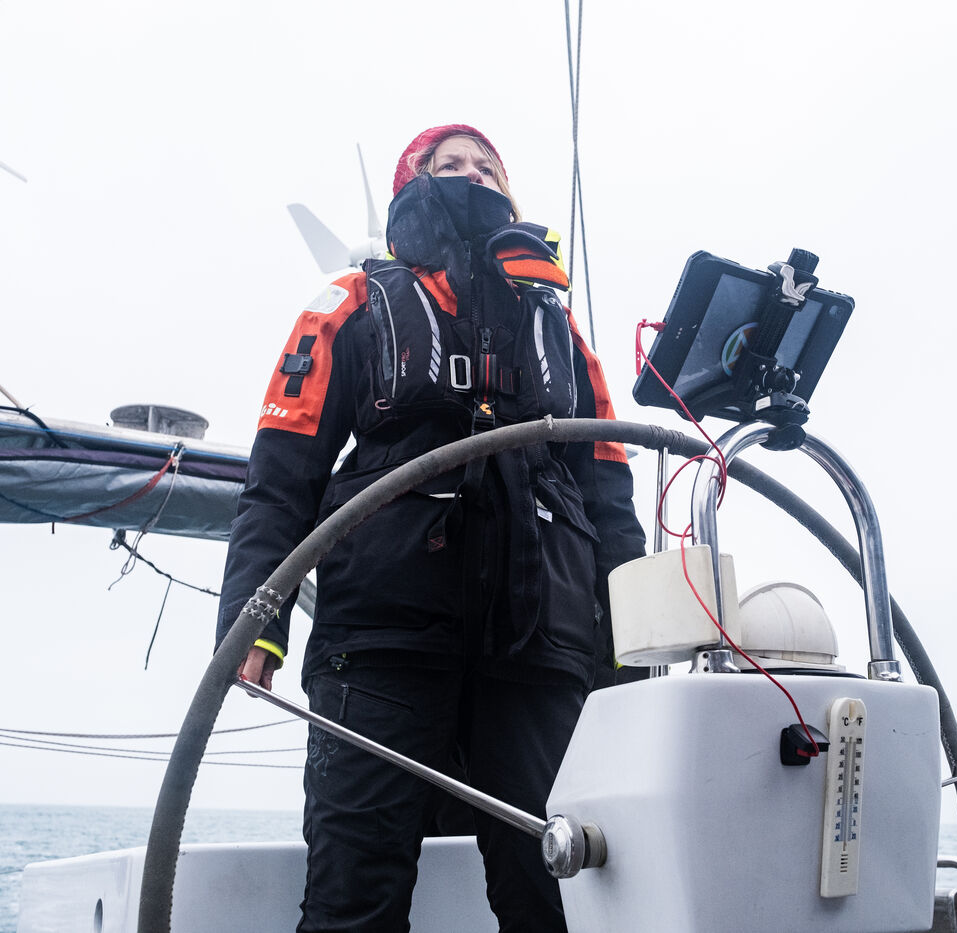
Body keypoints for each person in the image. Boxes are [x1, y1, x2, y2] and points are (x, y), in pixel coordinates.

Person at [216, 123, 645, 933]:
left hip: (537, 654)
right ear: (410, 187)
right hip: (381, 645)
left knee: (555, 901)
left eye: (488, 166)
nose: (471, 174)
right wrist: (253, 619)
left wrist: (630, 650)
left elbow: (610, 503)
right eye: (450, 164)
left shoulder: (561, 330)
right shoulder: (351, 302)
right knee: (355, 902)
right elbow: (280, 479)